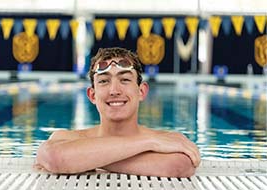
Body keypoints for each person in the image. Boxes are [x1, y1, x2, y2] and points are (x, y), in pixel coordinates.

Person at [35, 47, 201, 177]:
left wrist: (82, 160)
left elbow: (180, 166)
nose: (114, 90)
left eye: (125, 80)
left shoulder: (170, 139)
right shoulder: (159, 142)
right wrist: (149, 143)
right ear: (92, 95)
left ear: (141, 91)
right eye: (104, 81)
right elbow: (54, 157)